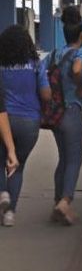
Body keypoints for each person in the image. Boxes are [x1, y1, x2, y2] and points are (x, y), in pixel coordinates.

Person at [0, 25, 50, 227]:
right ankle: (10, 214)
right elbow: (46, 94)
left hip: (3, 119)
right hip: (29, 121)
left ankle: (3, 192)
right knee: (18, 167)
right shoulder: (36, 64)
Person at [50, 6, 82, 225]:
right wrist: (80, 87)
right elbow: (76, 70)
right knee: (74, 160)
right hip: (72, 112)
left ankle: (57, 201)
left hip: (56, 114)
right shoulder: (80, 52)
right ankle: (65, 202)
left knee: (63, 158)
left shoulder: (56, 53)